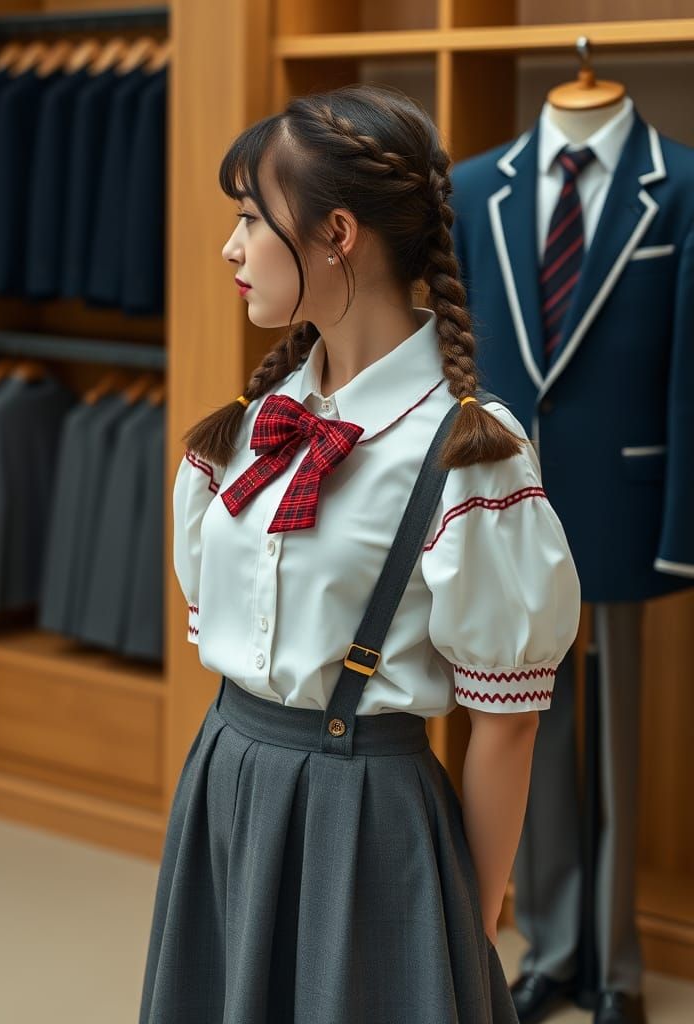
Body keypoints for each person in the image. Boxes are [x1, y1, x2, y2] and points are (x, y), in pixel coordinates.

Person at [137, 83, 583, 1023]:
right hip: (224, 787)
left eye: (251, 218)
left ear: (337, 233)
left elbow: (507, 724)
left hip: (366, 822)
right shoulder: (252, 426)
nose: (230, 248)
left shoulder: (468, 453)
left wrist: (466, 930)